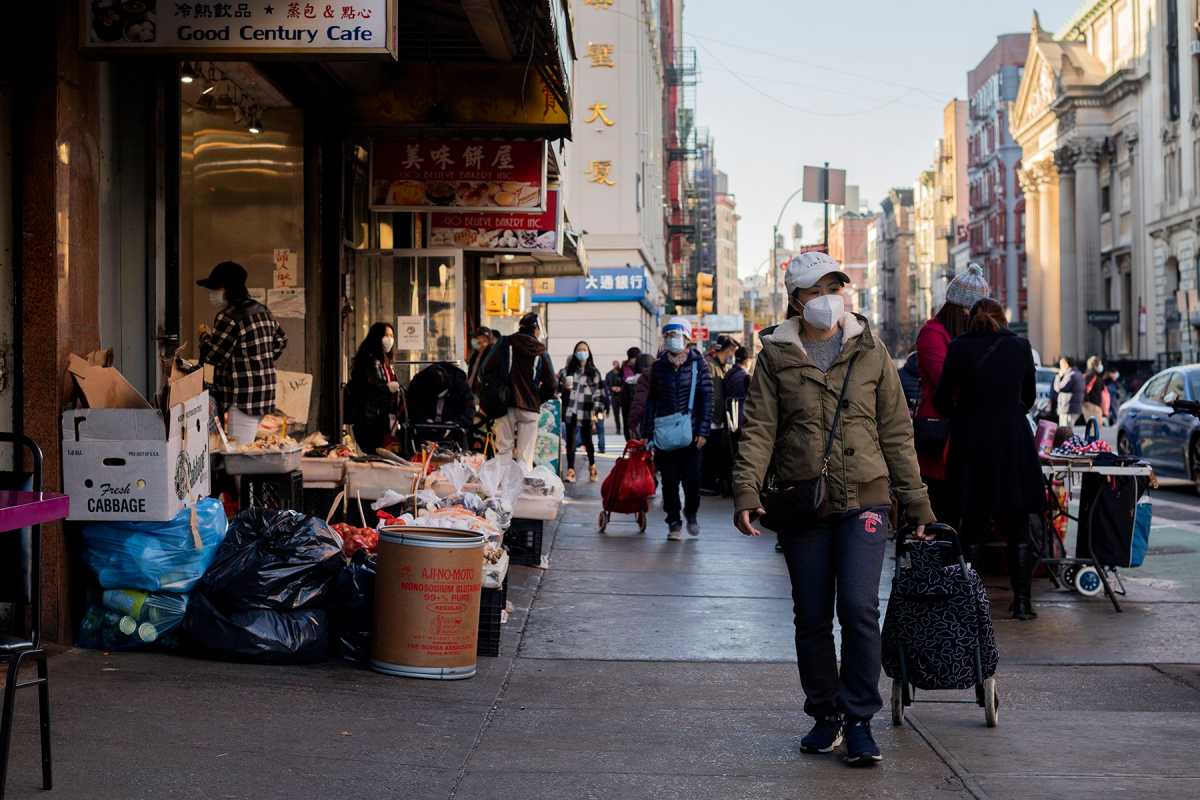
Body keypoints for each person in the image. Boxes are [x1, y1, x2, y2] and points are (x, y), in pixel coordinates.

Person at [733, 251, 933, 767]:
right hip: (803, 501)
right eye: (818, 289)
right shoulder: (776, 355)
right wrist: (747, 492)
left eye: (835, 286)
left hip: (865, 496)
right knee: (812, 616)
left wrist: (916, 502)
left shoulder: (871, 350)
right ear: (796, 300)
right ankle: (826, 715)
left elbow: (896, 430)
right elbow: (758, 429)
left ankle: (860, 718)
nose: (829, 297)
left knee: (861, 610)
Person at [934, 299, 1045, 621]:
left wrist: (964, 414)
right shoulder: (1020, 346)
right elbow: (1029, 398)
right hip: (1012, 442)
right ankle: (1022, 603)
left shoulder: (958, 347)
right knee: (1018, 525)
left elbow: (942, 399)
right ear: (1003, 317)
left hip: (971, 443)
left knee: (971, 525)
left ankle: (967, 604)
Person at [914, 263, 989, 528]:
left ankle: (959, 566)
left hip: (963, 434)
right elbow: (945, 380)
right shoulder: (932, 334)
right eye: (972, 311)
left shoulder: (967, 337)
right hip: (939, 433)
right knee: (941, 507)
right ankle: (940, 564)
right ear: (961, 309)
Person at [198, 261, 287, 445]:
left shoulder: (228, 317)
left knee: (240, 453)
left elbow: (214, 357)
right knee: (251, 446)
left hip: (242, 398)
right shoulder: (262, 311)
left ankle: (241, 476)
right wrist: (260, 361)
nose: (211, 295)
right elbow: (280, 341)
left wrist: (204, 337)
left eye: (214, 289)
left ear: (227, 289)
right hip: (264, 394)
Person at [642, 318, 713, 541]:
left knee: (692, 482)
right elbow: (651, 401)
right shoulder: (658, 367)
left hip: (691, 436)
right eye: (669, 336)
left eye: (677, 335)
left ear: (687, 339)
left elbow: (707, 399)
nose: (673, 340)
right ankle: (673, 520)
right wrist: (648, 432)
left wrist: (703, 431)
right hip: (664, 435)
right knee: (669, 482)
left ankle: (690, 512)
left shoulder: (698, 364)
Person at [481, 312, 556, 466]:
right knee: (525, 457)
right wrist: (536, 398)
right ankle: (522, 488)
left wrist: (497, 388)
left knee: (503, 452)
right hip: (529, 408)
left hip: (504, 405)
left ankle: (502, 487)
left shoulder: (504, 343)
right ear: (535, 330)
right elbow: (551, 386)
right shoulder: (541, 351)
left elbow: (485, 370)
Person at [346, 323, 401, 455]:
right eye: (386, 335)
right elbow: (366, 388)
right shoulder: (368, 360)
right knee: (375, 452)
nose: (390, 339)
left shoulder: (385, 362)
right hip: (368, 419)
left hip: (382, 418)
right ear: (377, 337)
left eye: (392, 336)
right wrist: (386, 388)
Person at [558, 341, 606, 482]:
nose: (582, 352)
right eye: (579, 349)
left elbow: (599, 393)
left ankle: (592, 465)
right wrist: (563, 389)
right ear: (575, 353)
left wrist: (597, 412)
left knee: (588, 440)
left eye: (584, 349)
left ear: (588, 352)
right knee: (571, 441)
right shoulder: (566, 371)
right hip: (571, 410)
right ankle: (571, 470)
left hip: (586, 410)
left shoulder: (594, 373)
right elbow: (556, 389)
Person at [406, 362, 476, 450]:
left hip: (453, 433)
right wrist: (424, 420)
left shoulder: (460, 383)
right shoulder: (418, 383)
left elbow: (469, 411)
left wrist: (455, 423)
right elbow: (412, 408)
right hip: (425, 431)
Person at [701, 335, 739, 496]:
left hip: (717, 420)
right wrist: (714, 418)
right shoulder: (710, 365)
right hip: (711, 420)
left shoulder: (720, 366)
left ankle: (710, 482)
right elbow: (711, 395)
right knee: (709, 454)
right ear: (726, 350)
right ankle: (705, 484)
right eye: (732, 351)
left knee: (714, 453)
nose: (732, 356)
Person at [724, 346, 752, 436]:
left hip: (729, 422)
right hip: (743, 424)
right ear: (747, 360)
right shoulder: (745, 377)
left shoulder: (728, 374)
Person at [627, 353, 657, 436]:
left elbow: (639, 402)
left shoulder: (643, 378)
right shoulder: (659, 375)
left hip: (646, 423)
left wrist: (632, 423)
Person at [1052, 357, 1084, 428]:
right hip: (1075, 408)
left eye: (1061, 364)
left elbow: (1058, 388)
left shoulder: (1070, 375)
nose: (1060, 366)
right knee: (1069, 430)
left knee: (1064, 431)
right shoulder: (1078, 373)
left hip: (1067, 408)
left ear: (1066, 364)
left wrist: (1058, 376)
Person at [621, 347, 642, 441]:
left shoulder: (640, 367)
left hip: (637, 402)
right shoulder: (625, 369)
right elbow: (628, 381)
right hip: (628, 403)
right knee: (629, 426)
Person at [466, 327, 496, 392]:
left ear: (489, 341)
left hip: (483, 392)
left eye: (484, 341)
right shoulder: (476, 353)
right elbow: (472, 372)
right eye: (479, 342)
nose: (482, 344)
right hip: (472, 389)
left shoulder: (491, 354)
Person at [1083, 355, 1108, 429]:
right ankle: (1093, 441)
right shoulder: (1091, 376)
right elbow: (1085, 389)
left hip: (1094, 404)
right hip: (1092, 404)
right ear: (1095, 365)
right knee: (1094, 429)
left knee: (1095, 428)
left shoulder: (1094, 375)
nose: (1101, 366)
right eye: (1099, 364)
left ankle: (1093, 440)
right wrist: (1087, 401)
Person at [605, 360, 625, 436]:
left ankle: (625, 428)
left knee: (624, 414)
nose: (616, 366)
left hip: (622, 397)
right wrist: (612, 388)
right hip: (614, 397)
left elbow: (626, 383)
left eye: (617, 364)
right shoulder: (609, 374)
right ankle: (618, 429)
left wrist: (621, 388)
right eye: (615, 364)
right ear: (613, 365)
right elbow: (606, 385)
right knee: (616, 414)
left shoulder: (622, 374)